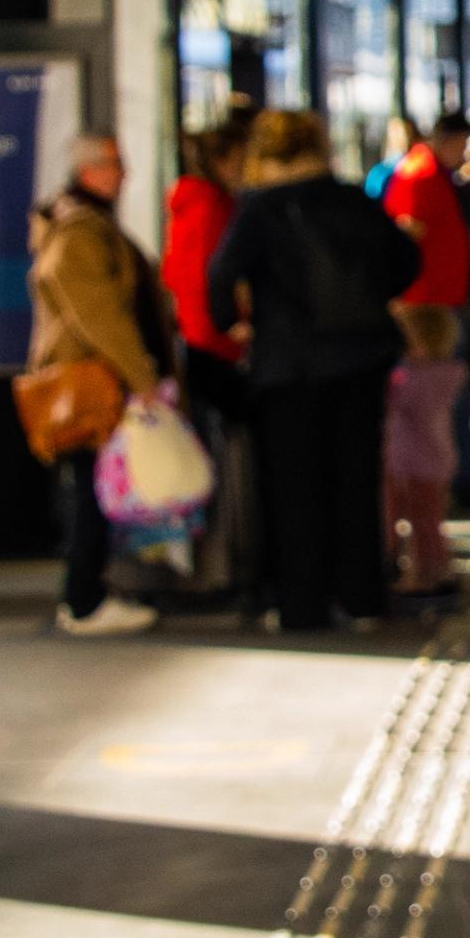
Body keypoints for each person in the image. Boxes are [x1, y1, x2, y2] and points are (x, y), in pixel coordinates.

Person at [205, 109, 416, 634]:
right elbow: (406, 261)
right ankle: (363, 597)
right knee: (356, 480)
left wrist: (234, 323)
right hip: (361, 360)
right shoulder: (351, 198)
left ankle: (302, 605)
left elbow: (220, 277)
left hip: (288, 365)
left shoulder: (258, 209)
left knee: (293, 488)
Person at [27, 132, 165, 637]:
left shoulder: (82, 222)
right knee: (89, 490)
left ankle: (86, 594)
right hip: (89, 380)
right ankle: (83, 600)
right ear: (89, 170)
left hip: (93, 375)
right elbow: (99, 314)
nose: (123, 173)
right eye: (113, 164)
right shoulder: (80, 230)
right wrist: (140, 374)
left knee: (91, 488)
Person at [372, 114, 470, 607]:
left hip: (429, 316)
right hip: (422, 316)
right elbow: (404, 237)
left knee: (416, 470)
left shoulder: (427, 174)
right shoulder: (418, 175)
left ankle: (418, 563)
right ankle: (410, 564)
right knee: (412, 475)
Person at [162, 122, 259, 609]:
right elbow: (205, 283)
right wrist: (229, 337)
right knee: (224, 463)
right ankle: (221, 568)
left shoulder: (192, 203)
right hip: (213, 353)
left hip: (202, 349)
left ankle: (216, 566)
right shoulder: (211, 206)